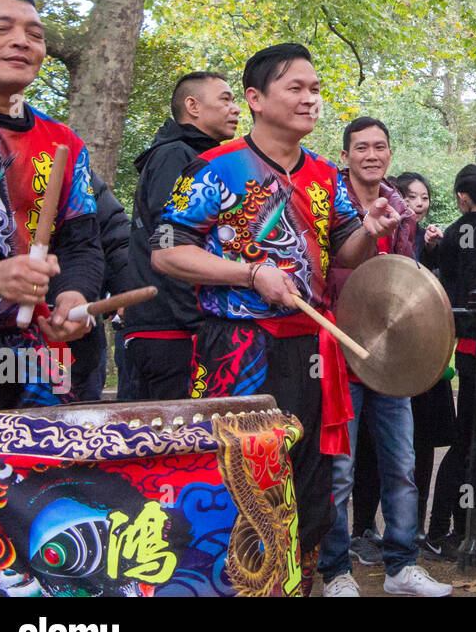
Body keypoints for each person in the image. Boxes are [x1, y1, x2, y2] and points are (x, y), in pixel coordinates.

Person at [151, 43, 402, 587]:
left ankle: (299, 583)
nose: (311, 99)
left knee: (310, 482)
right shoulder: (214, 168)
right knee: (237, 478)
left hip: (311, 345)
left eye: (314, 89)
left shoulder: (323, 174)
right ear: (255, 99)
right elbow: (167, 251)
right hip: (236, 346)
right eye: (296, 88)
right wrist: (248, 272)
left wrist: (371, 231)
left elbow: (345, 252)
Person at [317, 118, 450, 597]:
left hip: (391, 351)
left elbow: (403, 279)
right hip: (340, 345)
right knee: (340, 469)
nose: (371, 154)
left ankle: (401, 567)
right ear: (347, 154)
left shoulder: (399, 205)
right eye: (361, 147)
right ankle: (335, 572)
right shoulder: (327, 196)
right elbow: (324, 265)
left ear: (389, 153)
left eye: (380, 146)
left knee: (402, 462)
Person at [0, 0, 102, 410]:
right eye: (0, 28)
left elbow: (80, 242)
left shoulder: (62, 142)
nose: (22, 41)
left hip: (29, 357)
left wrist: (73, 297)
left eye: (35, 33)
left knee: (29, 474)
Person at [122, 70, 239, 399]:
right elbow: (169, 238)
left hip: (177, 323)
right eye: (226, 99)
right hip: (168, 327)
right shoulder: (175, 156)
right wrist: (198, 323)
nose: (236, 109)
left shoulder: (200, 157)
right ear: (193, 106)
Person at [425, 164, 476, 558]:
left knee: (464, 440)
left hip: (471, 347)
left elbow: (443, 282)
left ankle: (444, 527)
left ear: (462, 196)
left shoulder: (458, 231)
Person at [392, 170, 456, 545]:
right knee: (396, 443)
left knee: (427, 440)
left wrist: (435, 250)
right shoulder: (390, 234)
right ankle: (380, 527)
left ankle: (417, 525)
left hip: (428, 354)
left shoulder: (431, 239)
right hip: (395, 357)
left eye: (424, 198)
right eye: (412, 197)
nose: (419, 204)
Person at [69, 169, 135, 402]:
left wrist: (127, 288)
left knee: (68, 426)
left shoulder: (65, 162)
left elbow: (116, 237)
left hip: (68, 340)